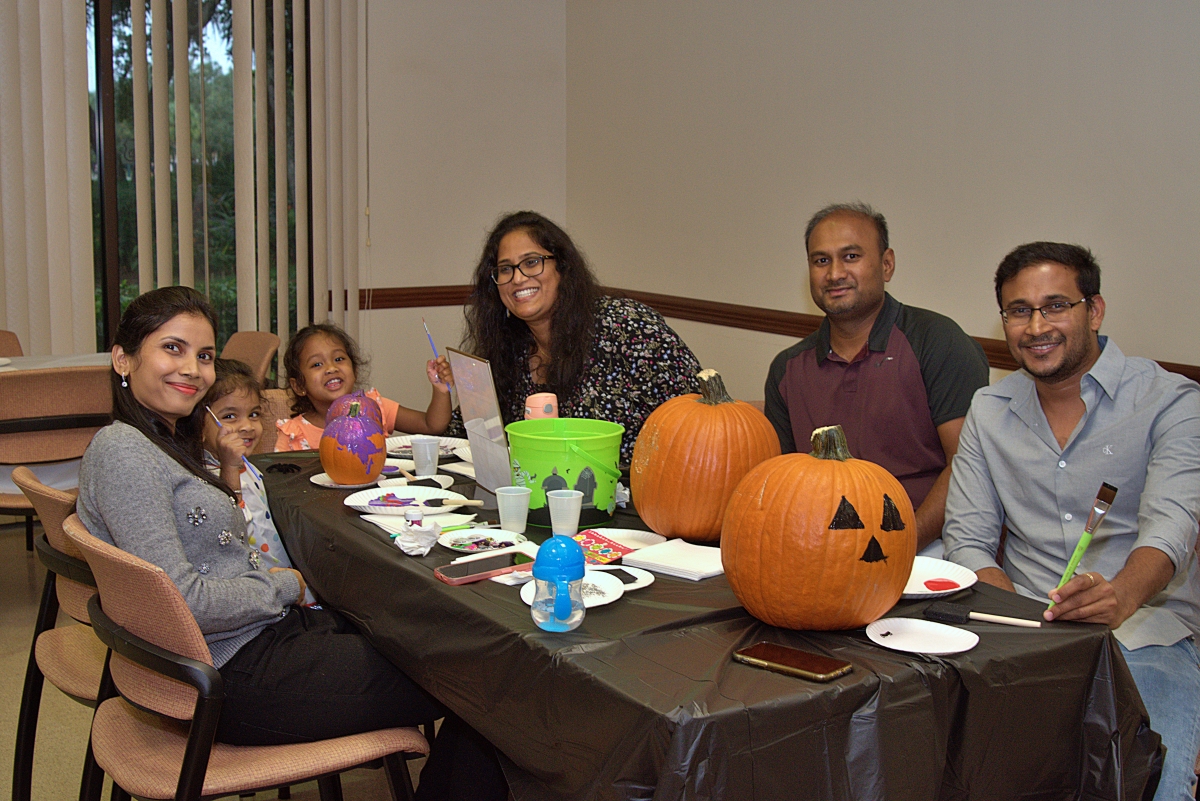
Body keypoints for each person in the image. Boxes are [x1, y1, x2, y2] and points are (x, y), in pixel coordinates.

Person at [77, 286, 508, 800]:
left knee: (436, 640)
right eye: (173, 348)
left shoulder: (161, 442)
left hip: (246, 645)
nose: (192, 368)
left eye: (205, 355)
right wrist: (283, 585)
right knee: (484, 685)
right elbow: (184, 602)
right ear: (123, 358)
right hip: (231, 675)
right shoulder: (125, 451)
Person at [943, 242, 1200, 801]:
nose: (1037, 326)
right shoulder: (989, 410)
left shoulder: (1171, 401)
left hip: (1144, 635)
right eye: (1019, 310)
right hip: (1021, 634)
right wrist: (1017, 620)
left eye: (1055, 305)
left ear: (1095, 310)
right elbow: (967, 539)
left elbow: (1174, 523)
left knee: (1152, 781)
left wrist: (1122, 595)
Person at [764, 202, 989, 554]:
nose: (835, 273)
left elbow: (967, 466)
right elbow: (782, 484)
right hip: (819, 548)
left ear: (887, 264)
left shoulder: (937, 341)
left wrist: (899, 546)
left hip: (927, 542)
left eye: (851, 256)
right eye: (821, 260)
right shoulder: (788, 368)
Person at [450, 210, 702, 464]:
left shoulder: (627, 326)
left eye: (531, 262)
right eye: (505, 269)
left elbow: (701, 419)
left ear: (563, 268)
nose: (517, 278)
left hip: (634, 496)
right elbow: (463, 434)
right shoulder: (506, 348)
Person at [200, 358, 315, 604]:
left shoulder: (245, 462)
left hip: (275, 569)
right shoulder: (207, 474)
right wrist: (230, 468)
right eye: (230, 416)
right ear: (198, 425)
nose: (247, 426)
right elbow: (231, 529)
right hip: (253, 586)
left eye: (254, 414)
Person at [275, 322, 453, 451]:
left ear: (355, 370)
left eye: (339, 359)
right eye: (317, 364)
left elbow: (432, 425)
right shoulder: (294, 434)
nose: (331, 368)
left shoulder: (376, 407)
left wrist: (440, 390)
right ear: (298, 385)